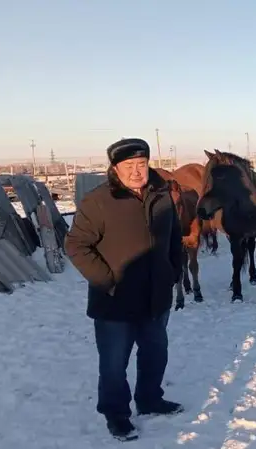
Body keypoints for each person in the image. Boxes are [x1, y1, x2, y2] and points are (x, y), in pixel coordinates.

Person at [65, 137, 184, 442]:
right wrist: (107, 281)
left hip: (156, 297)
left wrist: (173, 271)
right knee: (114, 363)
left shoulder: (161, 195)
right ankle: (116, 415)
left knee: (155, 353)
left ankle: (149, 400)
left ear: (148, 164)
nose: (135, 171)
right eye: (128, 166)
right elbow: (76, 245)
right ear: (115, 169)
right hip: (115, 303)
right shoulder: (99, 201)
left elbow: (173, 238)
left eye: (141, 164)